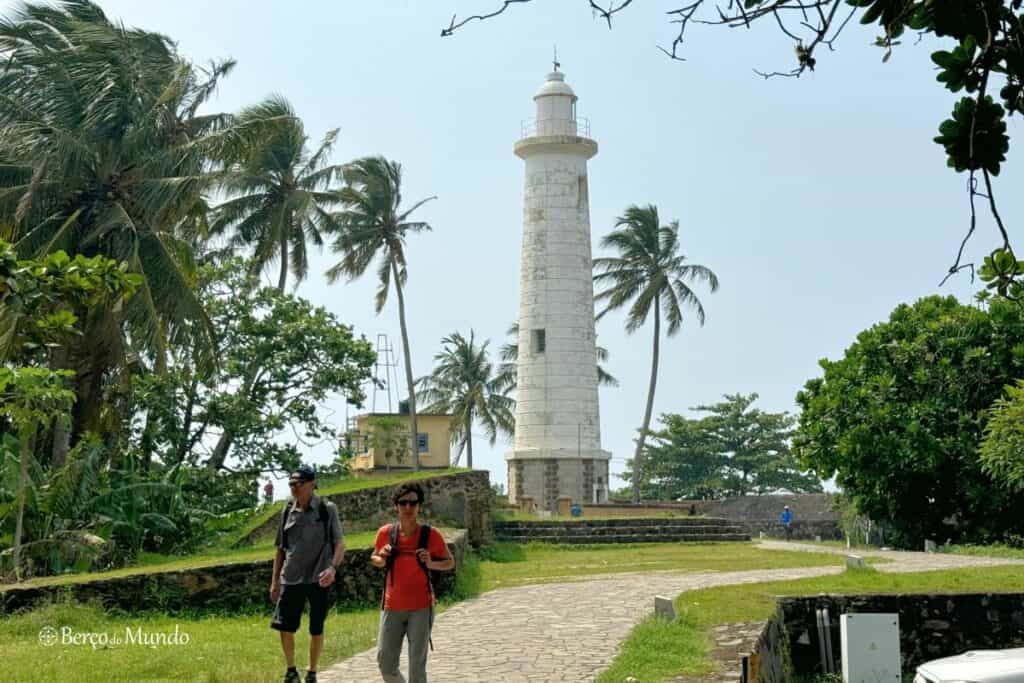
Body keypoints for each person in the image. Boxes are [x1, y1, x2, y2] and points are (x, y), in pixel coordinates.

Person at [370, 482, 455, 683]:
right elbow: (375, 558)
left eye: (413, 503)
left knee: (417, 668)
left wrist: (431, 562)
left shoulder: (430, 535)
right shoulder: (385, 533)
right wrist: (381, 557)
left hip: (421, 607)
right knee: (385, 661)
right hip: (392, 606)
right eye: (403, 503)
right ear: (396, 506)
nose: (408, 508)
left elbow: (450, 562)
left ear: (419, 506)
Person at [270, 464, 346, 683]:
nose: (294, 488)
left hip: (318, 578)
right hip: (291, 577)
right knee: (284, 625)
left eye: (299, 483)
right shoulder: (287, 511)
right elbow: (280, 549)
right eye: (291, 484)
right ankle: (291, 670)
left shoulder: (326, 509)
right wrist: (275, 581)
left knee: (316, 626)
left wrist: (332, 568)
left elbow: (340, 543)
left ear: (312, 484)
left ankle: (312, 671)